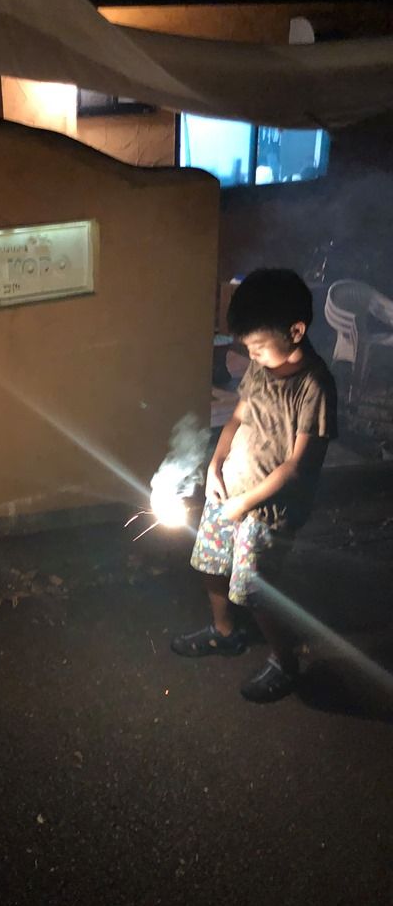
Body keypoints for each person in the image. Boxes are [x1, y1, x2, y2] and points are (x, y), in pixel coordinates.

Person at [171, 269, 337, 703]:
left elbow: (296, 467)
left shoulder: (314, 387)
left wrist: (245, 503)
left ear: (295, 331)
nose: (252, 355)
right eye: (248, 348)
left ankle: (285, 662)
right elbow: (238, 417)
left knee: (254, 590)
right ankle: (224, 631)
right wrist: (215, 464)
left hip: (269, 512)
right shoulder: (262, 369)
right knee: (209, 563)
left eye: (258, 346)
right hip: (230, 493)